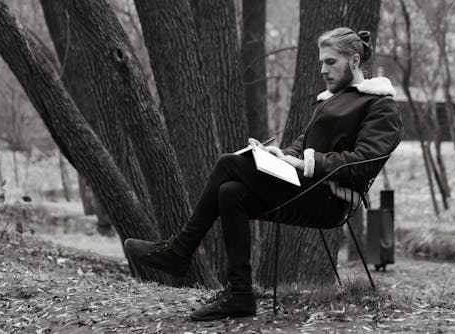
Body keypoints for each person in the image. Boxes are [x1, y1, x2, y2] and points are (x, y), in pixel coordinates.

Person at [124, 27, 403, 321]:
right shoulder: (329, 101)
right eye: (321, 62)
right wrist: (279, 155)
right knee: (230, 191)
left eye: (331, 62)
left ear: (355, 61)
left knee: (227, 162)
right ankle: (240, 295)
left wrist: (306, 162)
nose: (323, 70)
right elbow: (302, 145)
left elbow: (364, 163)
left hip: (331, 199)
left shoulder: (380, 105)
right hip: (308, 188)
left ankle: (179, 251)